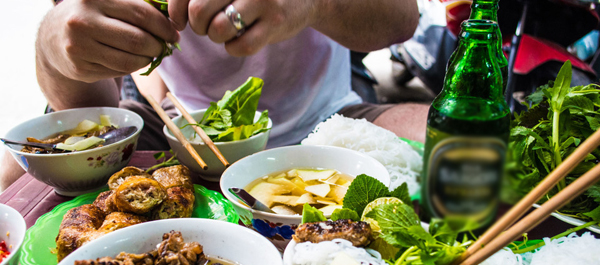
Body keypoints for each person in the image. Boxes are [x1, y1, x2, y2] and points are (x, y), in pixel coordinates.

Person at [1, 0, 428, 190]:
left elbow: (401, 20)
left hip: (329, 115)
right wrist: (54, 50)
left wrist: (315, 3)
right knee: (19, 167)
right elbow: (89, 109)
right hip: (179, 126)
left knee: (468, 148)